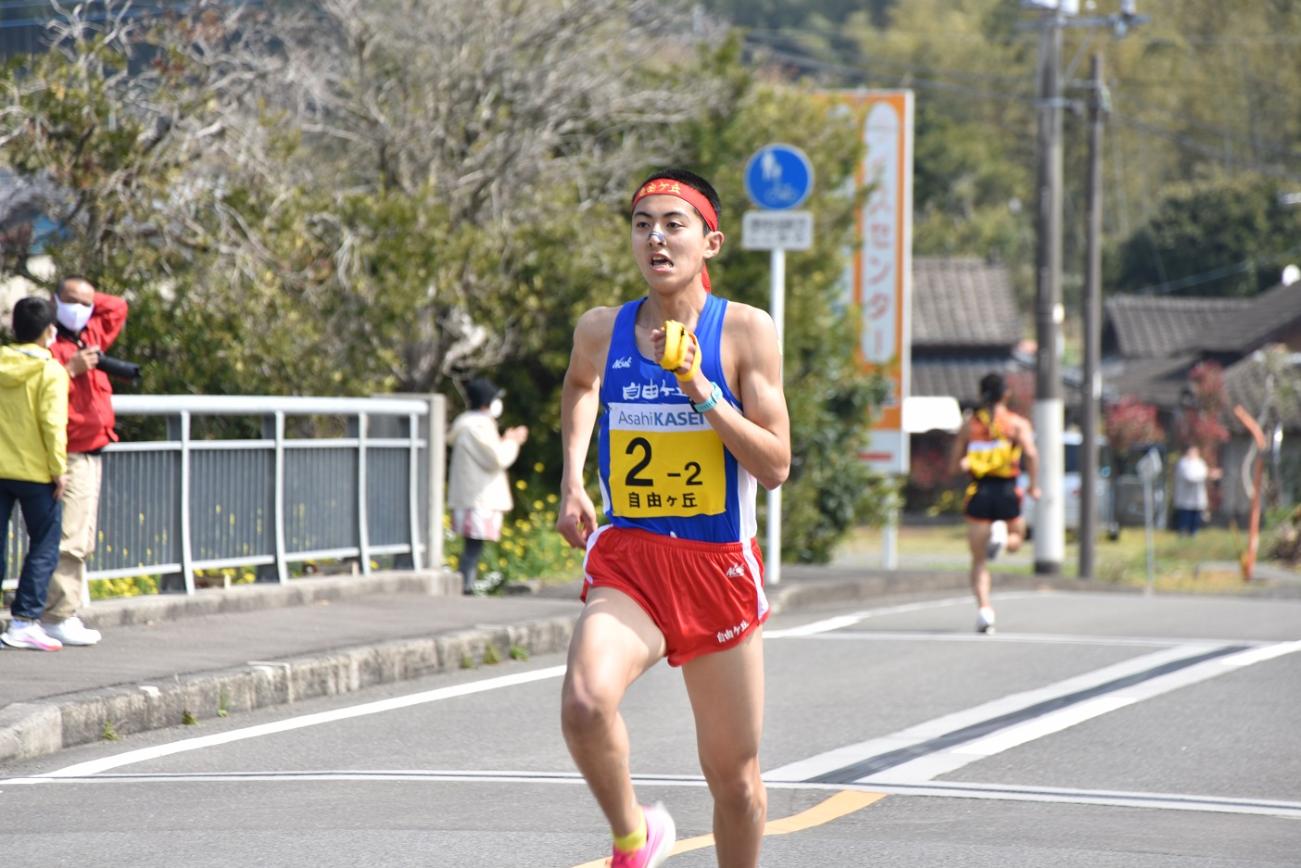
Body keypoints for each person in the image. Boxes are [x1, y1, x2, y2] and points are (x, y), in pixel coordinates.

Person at [555, 168, 790, 868]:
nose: (654, 237)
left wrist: (700, 390)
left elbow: (775, 465)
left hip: (716, 567)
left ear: (709, 241)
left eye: (672, 223)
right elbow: (578, 387)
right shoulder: (602, 329)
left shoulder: (745, 330)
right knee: (584, 704)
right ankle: (636, 839)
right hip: (631, 557)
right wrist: (572, 479)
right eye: (641, 224)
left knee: (736, 783)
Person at [43, 275, 129, 646]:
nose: (80, 308)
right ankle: (56, 615)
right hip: (71, 451)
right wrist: (72, 368)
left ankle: (66, 611)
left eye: (86, 303)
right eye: (71, 301)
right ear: (56, 302)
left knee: (84, 537)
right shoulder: (52, 347)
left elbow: (118, 307)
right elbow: (42, 389)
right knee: (69, 539)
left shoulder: (90, 333)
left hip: (94, 449)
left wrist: (86, 297)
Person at [0, 297, 70, 651]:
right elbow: (52, 424)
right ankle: (24, 620)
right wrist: (60, 470)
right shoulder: (51, 370)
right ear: (48, 332)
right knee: (44, 543)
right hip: (36, 473)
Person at [949, 372, 1039, 635]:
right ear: (1006, 394)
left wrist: (966, 464)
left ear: (981, 394)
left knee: (978, 562)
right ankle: (1001, 537)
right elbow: (1031, 455)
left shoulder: (970, 425)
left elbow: (954, 465)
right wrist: (1033, 485)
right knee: (1015, 542)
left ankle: (985, 611)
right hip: (1008, 489)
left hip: (979, 490)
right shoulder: (1017, 424)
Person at [447, 377, 528, 595]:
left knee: (473, 545)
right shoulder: (477, 427)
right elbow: (497, 458)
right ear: (486, 403)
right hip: (478, 497)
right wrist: (512, 441)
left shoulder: (471, 425)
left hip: (473, 496)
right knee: (473, 546)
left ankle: (467, 585)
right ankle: (466, 587)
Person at [1172, 445, 1220, 536]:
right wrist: (1207, 475)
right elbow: (1189, 477)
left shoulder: (1200, 463)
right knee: (1185, 517)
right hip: (1185, 497)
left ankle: (1193, 533)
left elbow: (1204, 473)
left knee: (1196, 518)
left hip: (1197, 496)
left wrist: (1210, 474)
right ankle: (1183, 533)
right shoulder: (1183, 463)